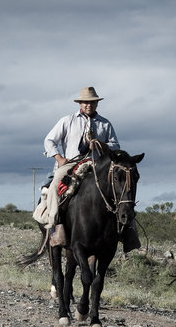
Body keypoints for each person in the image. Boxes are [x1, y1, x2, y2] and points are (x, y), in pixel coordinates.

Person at [35, 86, 140, 251]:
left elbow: (115, 145)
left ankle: (129, 232)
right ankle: (55, 226)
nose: (89, 105)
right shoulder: (67, 120)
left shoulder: (105, 124)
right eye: (85, 102)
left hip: (99, 164)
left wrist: (101, 144)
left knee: (121, 190)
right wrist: (60, 158)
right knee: (56, 186)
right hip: (72, 162)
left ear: (97, 104)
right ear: (80, 103)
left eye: (92, 102)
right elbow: (49, 140)